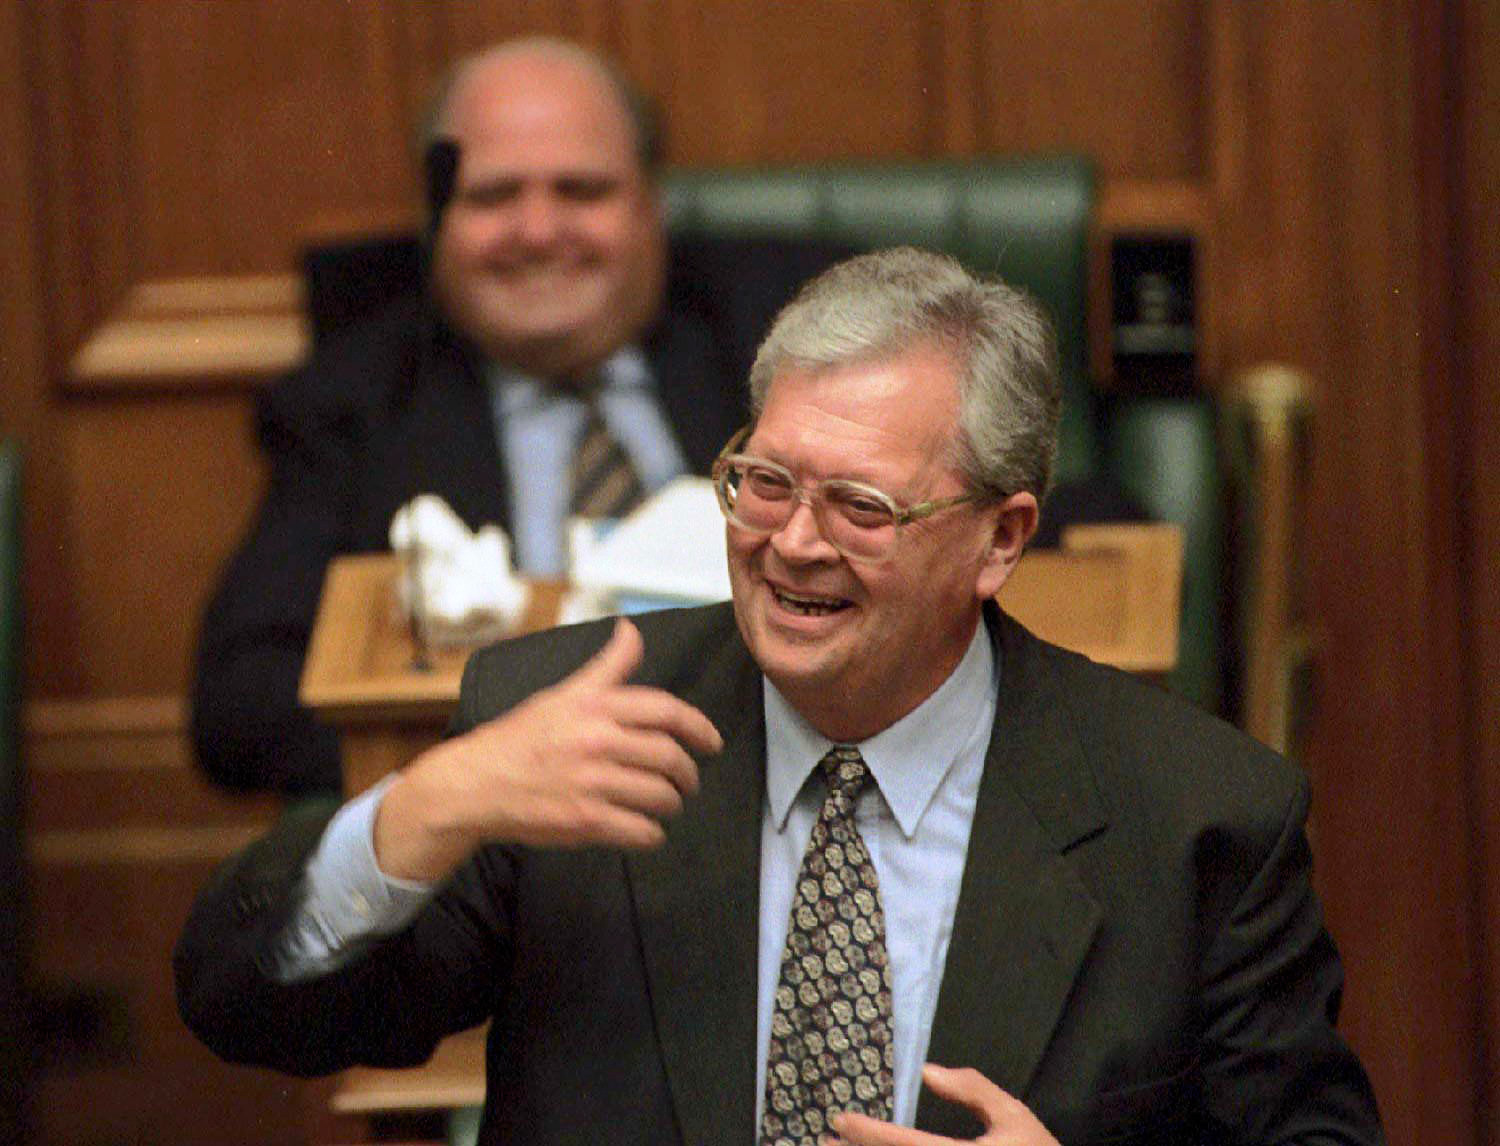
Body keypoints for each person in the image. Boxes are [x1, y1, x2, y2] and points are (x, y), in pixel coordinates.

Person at [175, 248, 1383, 1145]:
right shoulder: (567, 724)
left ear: (1001, 537)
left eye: (861, 508)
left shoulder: (1196, 816)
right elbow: (248, 1013)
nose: (790, 545)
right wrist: (420, 813)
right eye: (761, 483)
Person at [191, 37, 846, 795]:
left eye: (581, 190)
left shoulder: (794, 343)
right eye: (492, 196)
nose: (537, 232)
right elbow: (239, 710)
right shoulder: (352, 402)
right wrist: (507, 757)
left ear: (650, 206)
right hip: (499, 851)